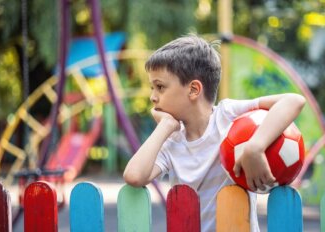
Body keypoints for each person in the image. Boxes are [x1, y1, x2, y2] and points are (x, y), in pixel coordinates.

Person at [123, 35, 305, 231]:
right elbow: (134, 176)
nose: (152, 97)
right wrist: (165, 126)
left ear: (194, 90)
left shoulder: (227, 116)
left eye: (160, 87)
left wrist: (255, 147)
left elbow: (294, 101)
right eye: (153, 88)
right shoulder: (171, 142)